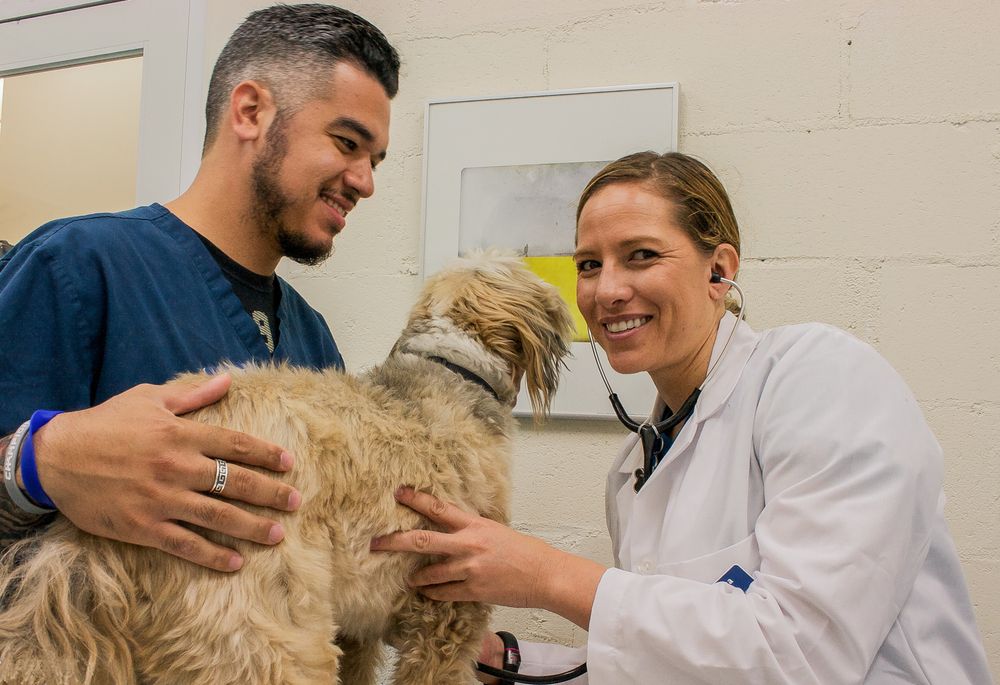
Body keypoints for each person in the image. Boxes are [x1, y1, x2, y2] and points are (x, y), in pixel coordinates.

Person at [371, 151, 995, 684]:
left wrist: (545, 575)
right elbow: (668, 659)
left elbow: (802, 655)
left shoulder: (819, 378)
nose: (606, 290)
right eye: (588, 264)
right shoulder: (634, 470)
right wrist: (505, 657)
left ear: (719, 270)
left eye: (640, 255)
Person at [0, 3, 399, 573]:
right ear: (250, 111)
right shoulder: (79, 267)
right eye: (346, 143)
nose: (365, 182)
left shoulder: (313, 341)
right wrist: (38, 462)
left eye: (376, 161)